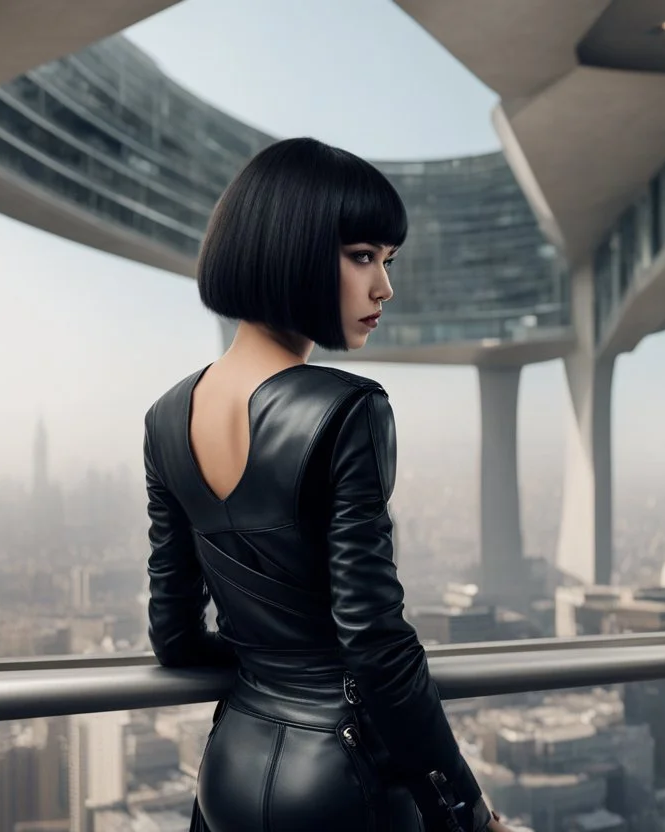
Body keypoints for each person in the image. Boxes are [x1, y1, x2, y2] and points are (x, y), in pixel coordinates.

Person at [143, 137, 513, 832]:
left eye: (388, 261)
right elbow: (376, 642)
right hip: (339, 789)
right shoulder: (348, 408)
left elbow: (175, 638)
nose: (385, 287)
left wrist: (274, 665)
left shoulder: (166, 418)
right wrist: (470, 813)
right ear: (296, 251)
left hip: (228, 774)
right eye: (363, 257)